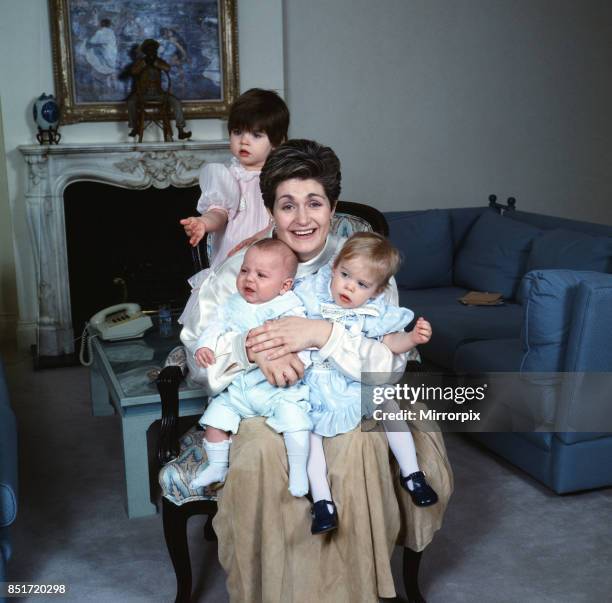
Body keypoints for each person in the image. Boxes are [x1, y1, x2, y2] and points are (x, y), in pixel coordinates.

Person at [178, 139, 453, 601]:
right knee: (266, 455)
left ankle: (354, 591)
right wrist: (251, 349)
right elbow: (196, 362)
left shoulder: (362, 267)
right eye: (287, 205)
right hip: (266, 401)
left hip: (349, 394)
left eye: (314, 203)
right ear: (270, 209)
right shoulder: (238, 270)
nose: (302, 218)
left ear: (332, 206)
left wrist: (321, 334)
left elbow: (386, 367)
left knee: (356, 449)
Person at [293, 232, 438, 535]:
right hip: (314, 383)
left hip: (353, 383)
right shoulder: (311, 297)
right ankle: (322, 501)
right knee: (308, 435)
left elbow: (389, 343)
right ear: (334, 268)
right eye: (345, 275)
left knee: (388, 405)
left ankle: (412, 473)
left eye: (362, 284)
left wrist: (411, 338)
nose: (349, 286)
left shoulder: (373, 313)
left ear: (376, 291)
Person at [188, 239, 312, 497]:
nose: (249, 279)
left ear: (284, 285)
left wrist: (298, 361)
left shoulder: (289, 306)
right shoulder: (232, 304)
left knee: (295, 421)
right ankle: (217, 466)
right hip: (238, 389)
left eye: (261, 275)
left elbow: (304, 340)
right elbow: (215, 327)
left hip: (276, 390)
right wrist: (205, 346)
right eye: (245, 270)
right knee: (214, 418)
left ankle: (299, 470)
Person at [178, 88, 289, 323]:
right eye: (237, 132)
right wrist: (203, 223)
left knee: (267, 310)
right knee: (228, 312)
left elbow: (284, 221)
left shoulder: (281, 180)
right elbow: (219, 212)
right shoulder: (225, 176)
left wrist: (263, 236)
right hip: (233, 259)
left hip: (269, 256)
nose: (244, 141)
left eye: (256, 135)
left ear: (277, 142)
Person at [126, 38, 192, 140]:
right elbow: (134, 71)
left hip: (158, 93)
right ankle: (135, 127)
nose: (152, 52)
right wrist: (145, 63)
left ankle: (181, 130)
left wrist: (155, 63)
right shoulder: (140, 62)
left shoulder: (159, 61)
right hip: (142, 93)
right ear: (145, 51)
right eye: (149, 50)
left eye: (154, 50)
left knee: (176, 102)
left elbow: (167, 68)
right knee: (131, 102)